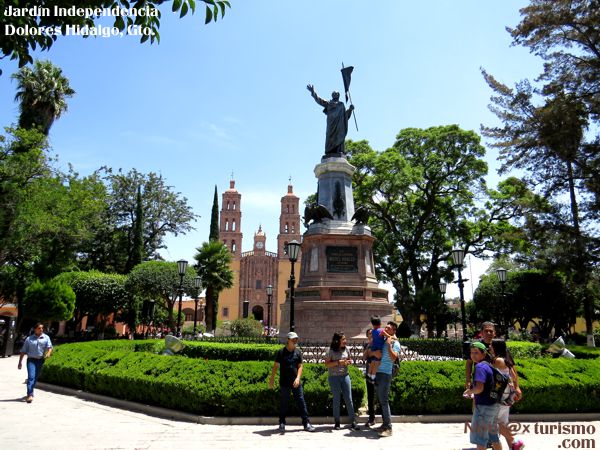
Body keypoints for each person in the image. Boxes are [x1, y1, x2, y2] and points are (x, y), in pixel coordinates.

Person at [269, 331, 316, 433]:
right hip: (284, 382)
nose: (295, 341)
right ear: (288, 340)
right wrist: (272, 379)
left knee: (301, 401)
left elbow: (300, 366)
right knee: (284, 403)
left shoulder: (298, 352)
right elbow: (276, 366)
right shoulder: (281, 352)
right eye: (293, 339)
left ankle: (306, 423)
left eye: (296, 339)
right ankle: (282, 423)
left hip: (296, 382)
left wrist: (298, 378)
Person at [463, 341, 502, 450]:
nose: (473, 355)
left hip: (484, 407)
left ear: (483, 354)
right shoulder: (488, 365)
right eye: (471, 353)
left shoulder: (480, 367)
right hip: (493, 405)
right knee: (493, 437)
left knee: (480, 439)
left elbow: (479, 388)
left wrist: (468, 392)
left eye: (476, 353)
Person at [490, 340, 525, 450]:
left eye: (491, 345)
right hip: (506, 395)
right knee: (503, 423)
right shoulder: (506, 360)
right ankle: (513, 446)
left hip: (499, 395)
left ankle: (515, 441)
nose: (489, 347)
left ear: (496, 347)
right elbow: (514, 377)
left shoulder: (497, 360)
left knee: (493, 423)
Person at [324, 332, 360, 431]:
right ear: (337, 341)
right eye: (343, 339)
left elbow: (349, 359)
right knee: (336, 399)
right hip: (334, 378)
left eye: (345, 339)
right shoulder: (330, 351)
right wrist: (338, 362)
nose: (345, 341)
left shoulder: (346, 349)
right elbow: (327, 364)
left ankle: (353, 421)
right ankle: (337, 422)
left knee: (349, 399)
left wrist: (348, 362)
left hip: (345, 376)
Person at [307, 84, 354, 156]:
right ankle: (329, 152)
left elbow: (345, 116)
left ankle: (339, 150)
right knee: (330, 137)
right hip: (331, 124)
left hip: (339, 124)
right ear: (332, 95)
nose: (335, 95)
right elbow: (319, 100)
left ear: (338, 95)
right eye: (333, 94)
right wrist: (313, 92)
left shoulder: (341, 104)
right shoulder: (329, 103)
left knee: (339, 136)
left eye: (336, 94)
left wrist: (350, 109)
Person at [375, 321, 400, 437]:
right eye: (386, 327)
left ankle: (389, 428)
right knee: (381, 400)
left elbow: (394, 357)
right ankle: (384, 424)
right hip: (378, 372)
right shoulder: (384, 340)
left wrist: (389, 345)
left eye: (389, 328)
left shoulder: (395, 343)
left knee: (384, 400)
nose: (386, 329)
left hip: (386, 373)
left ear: (394, 331)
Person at [18, 322, 53, 403]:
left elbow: (50, 347)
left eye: (42, 328)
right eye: (39, 328)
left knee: (35, 378)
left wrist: (48, 353)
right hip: (31, 360)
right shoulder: (29, 339)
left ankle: (30, 391)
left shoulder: (46, 337)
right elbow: (23, 351)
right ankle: (30, 394)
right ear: (35, 329)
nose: (41, 329)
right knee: (31, 377)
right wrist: (20, 362)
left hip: (40, 360)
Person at [367, 315, 391, 383]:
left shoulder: (372, 331)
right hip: (379, 350)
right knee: (376, 364)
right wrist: (393, 337)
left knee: (373, 363)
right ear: (380, 323)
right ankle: (373, 378)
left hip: (373, 348)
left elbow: (372, 339)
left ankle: (369, 375)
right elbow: (389, 336)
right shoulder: (381, 331)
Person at [363, 328, 376, 426]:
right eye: (369, 334)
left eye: (372, 333)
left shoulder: (379, 343)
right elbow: (364, 357)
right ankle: (371, 418)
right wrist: (368, 347)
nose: (371, 335)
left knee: (380, 395)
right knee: (370, 395)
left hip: (378, 372)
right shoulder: (366, 345)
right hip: (369, 372)